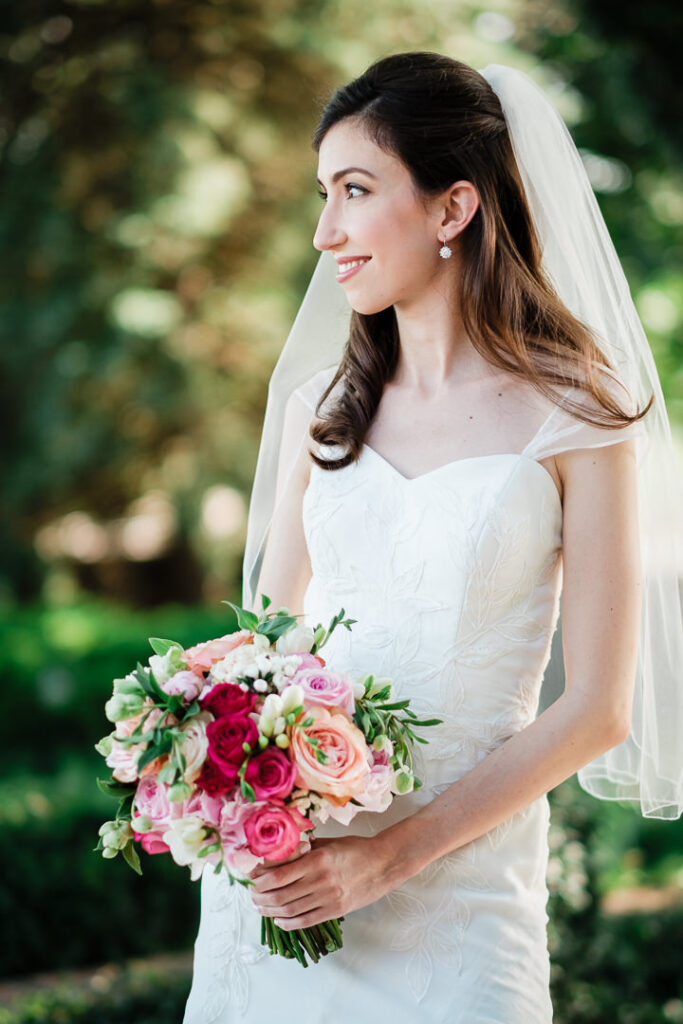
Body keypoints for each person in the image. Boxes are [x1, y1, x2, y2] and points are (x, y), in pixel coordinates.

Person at [183, 52, 683, 1023]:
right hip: (290, 885)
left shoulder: (577, 417)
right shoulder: (319, 411)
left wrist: (384, 859)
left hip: (459, 901)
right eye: (322, 195)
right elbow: (270, 639)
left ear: (452, 209)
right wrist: (191, 722)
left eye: (355, 191)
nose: (324, 232)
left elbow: (593, 710)